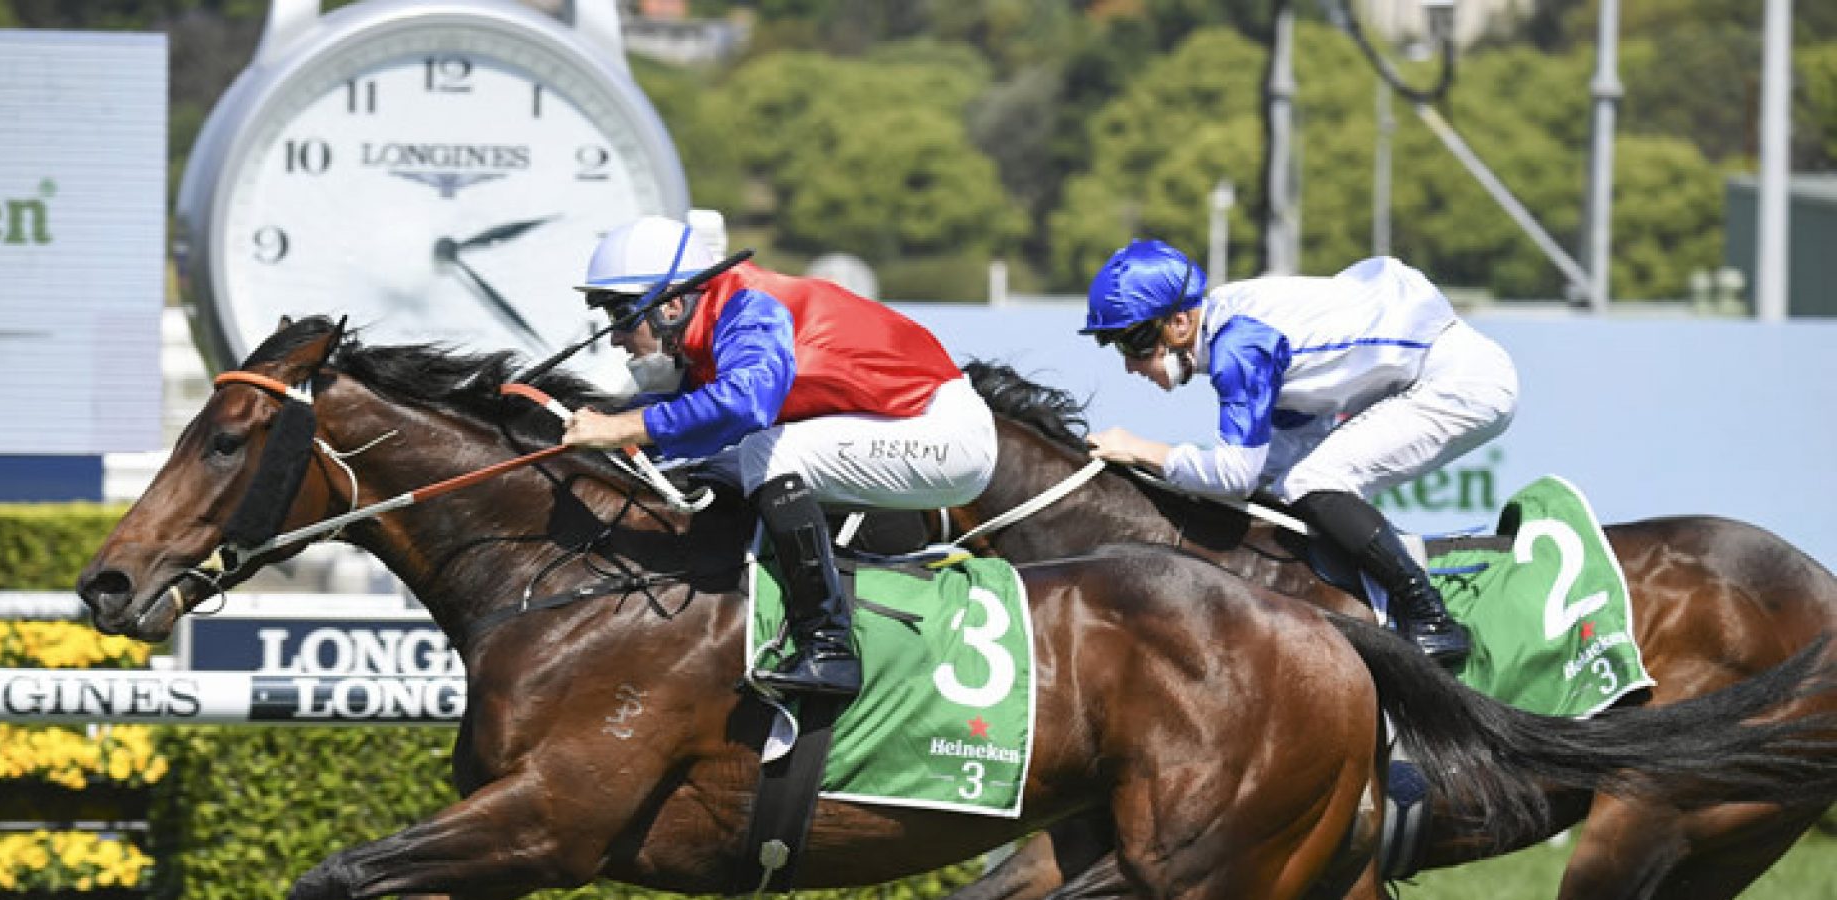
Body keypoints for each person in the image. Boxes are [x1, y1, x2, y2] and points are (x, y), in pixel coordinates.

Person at [563, 216, 998, 700]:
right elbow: (691, 427)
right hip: (900, 426)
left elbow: (745, 403)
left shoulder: (749, 308)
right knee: (720, 466)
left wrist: (622, 427)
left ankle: (829, 647)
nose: (615, 339)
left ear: (670, 306)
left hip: (944, 434)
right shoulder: (708, 331)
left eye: (621, 318)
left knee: (769, 453)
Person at [1080, 238, 1518, 668]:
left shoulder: (1239, 347)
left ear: (1178, 324)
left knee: (1313, 482)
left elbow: (1236, 475)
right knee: (1297, 481)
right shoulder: (1227, 322)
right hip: (1438, 368)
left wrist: (1141, 449)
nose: (1129, 365)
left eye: (1132, 344)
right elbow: (1282, 449)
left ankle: (1431, 617)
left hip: (1459, 382)